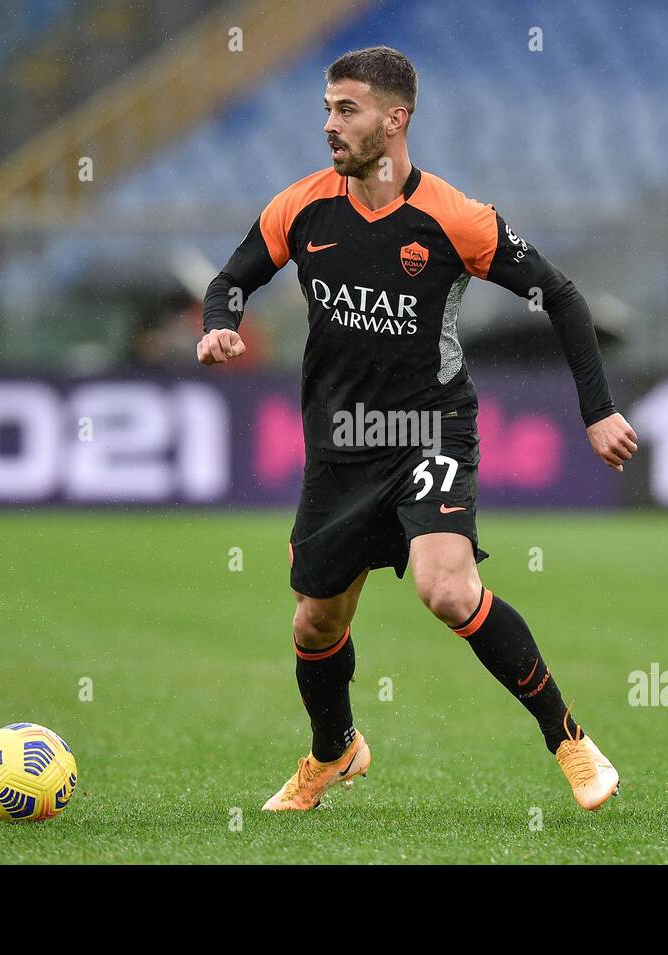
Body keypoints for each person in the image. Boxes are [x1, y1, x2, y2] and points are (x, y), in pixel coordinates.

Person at [198, 46, 639, 812]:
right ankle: (333, 750)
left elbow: (563, 297)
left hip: (429, 428)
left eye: (347, 109)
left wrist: (597, 410)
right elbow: (232, 278)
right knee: (315, 621)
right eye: (327, 108)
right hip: (339, 445)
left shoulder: (455, 218)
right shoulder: (301, 206)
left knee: (447, 587)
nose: (329, 125)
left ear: (395, 120)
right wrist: (218, 325)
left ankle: (570, 740)